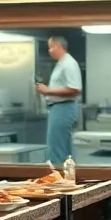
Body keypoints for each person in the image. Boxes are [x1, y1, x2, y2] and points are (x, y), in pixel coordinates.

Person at [35, 35, 82, 167]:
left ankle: (59, 178)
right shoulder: (61, 64)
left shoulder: (68, 64)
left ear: (59, 47)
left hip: (64, 107)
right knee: (56, 144)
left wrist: (48, 91)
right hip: (58, 108)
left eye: (51, 47)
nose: (49, 51)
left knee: (59, 147)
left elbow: (75, 89)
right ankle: (59, 174)